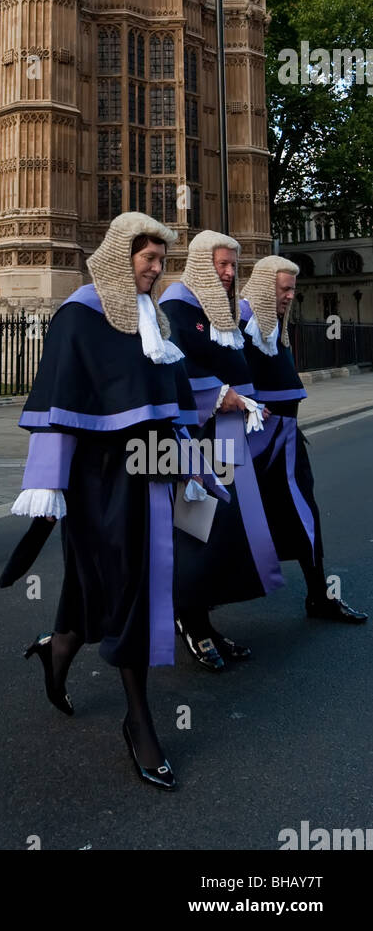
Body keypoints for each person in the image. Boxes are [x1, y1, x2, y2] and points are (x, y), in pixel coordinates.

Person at [11, 212, 196, 790]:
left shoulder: (154, 319)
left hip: (147, 473)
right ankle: (139, 722)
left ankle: (57, 649)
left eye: (162, 261)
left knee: (113, 586)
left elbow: (169, 405)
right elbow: (59, 404)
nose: (157, 270)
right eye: (149, 260)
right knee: (122, 587)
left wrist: (190, 465)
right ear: (122, 258)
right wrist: (45, 484)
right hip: (98, 480)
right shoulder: (79, 315)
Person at [161, 231, 284, 671]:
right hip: (198, 439)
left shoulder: (218, 306)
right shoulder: (177, 304)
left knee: (225, 530)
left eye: (234, 266)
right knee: (196, 528)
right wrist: (217, 395)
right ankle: (189, 620)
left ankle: (204, 620)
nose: (230, 273)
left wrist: (246, 399)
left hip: (227, 434)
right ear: (199, 263)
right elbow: (173, 364)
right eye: (222, 265)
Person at [241, 256, 366, 624]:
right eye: (284, 289)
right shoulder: (244, 323)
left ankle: (319, 596)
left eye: (292, 289)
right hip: (258, 446)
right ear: (266, 287)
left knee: (304, 516)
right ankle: (194, 608)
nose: (290, 296)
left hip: (286, 441)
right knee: (230, 524)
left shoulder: (274, 323)